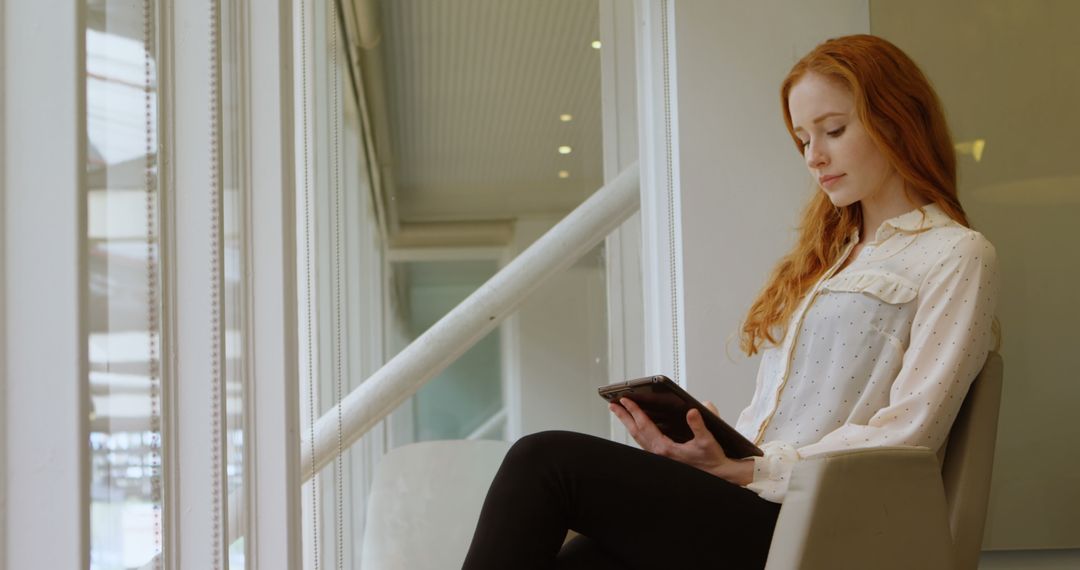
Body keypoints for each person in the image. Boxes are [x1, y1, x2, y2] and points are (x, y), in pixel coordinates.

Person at [461, 34, 999, 570]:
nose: (815, 157)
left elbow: (910, 435)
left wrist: (744, 471)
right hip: (755, 500)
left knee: (545, 460)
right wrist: (715, 448)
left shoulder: (954, 253)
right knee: (583, 560)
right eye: (803, 140)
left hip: (820, 524)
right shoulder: (829, 259)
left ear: (897, 118)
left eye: (833, 130)